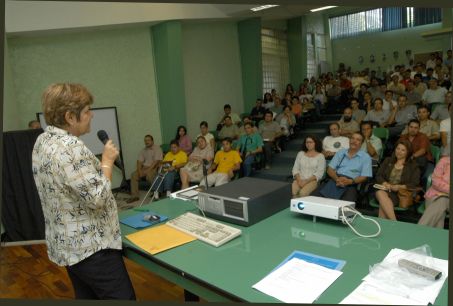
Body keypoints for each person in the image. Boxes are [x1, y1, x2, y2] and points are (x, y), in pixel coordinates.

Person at [32, 83, 136, 300]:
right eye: (87, 111)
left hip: (69, 248)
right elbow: (98, 198)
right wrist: (106, 161)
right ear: (70, 117)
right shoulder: (72, 147)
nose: (91, 116)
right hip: (93, 250)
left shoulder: (42, 141)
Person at [312, 133, 372, 202]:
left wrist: (350, 181)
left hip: (351, 183)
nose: (354, 141)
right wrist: (337, 179)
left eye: (358, 140)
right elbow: (329, 169)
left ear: (361, 143)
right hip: (335, 179)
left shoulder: (366, 157)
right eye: (352, 138)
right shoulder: (341, 152)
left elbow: (364, 177)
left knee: (345, 206)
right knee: (313, 198)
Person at [375, 140, 420, 221]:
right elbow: (379, 175)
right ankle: (394, 222)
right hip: (385, 190)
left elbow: (415, 183)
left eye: (403, 150)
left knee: (383, 203)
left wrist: (399, 187)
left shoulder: (413, 166)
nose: (399, 152)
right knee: (380, 192)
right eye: (398, 149)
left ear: (408, 152)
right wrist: (385, 183)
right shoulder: (388, 160)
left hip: (400, 195)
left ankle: (389, 224)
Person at [127, 134, 163, 203]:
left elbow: (156, 162)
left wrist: (147, 171)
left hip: (154, 167)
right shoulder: (143, 150)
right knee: (133, 175)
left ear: (152, 141)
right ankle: (135, 196)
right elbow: (139, 161)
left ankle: (157, 191)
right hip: (145, 167)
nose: (147, 142)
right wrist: (139, 171)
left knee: (149, 175)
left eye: (148, 140)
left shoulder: (157, 148)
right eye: (145, 140)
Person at [418, 156, 450, 228]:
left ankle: (419, 231)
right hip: (434, 196)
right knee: (440, 210)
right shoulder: (444, 161)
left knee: (442, 201)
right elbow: (435, 181)